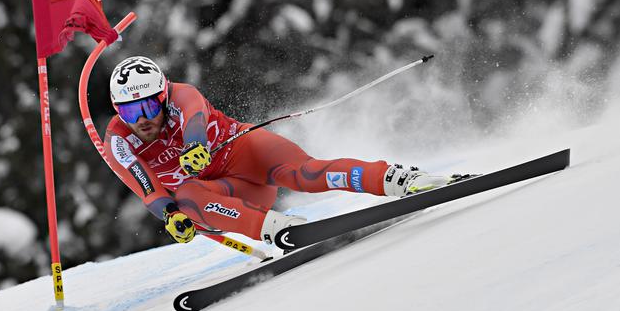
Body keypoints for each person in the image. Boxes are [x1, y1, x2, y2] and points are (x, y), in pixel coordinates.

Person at [104, 56, 453, 245]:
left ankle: (398, 179)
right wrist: (171, 216)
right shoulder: (119, 142)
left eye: (149, 107)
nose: (143, 119)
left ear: (164, 97)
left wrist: (196, 146)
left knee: (307, 174)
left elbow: (195, 116)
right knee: (186, 197)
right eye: (130, 111)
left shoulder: (181, 95)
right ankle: (277, 229)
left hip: (246, 153)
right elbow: (146, 188)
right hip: (229, 196)